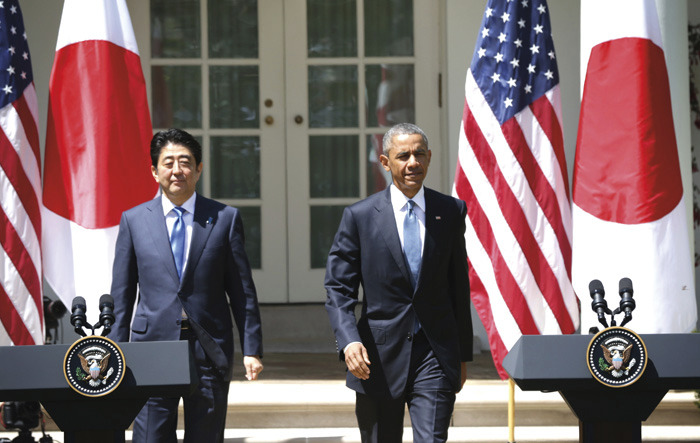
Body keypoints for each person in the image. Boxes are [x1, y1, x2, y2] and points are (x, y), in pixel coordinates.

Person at [109, 128, 263, 442]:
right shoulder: (134, 220)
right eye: (168, 163)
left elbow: (242, 291)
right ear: (154, 171)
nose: (177, 170)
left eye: (185, 162)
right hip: (151, 348)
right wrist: (115, 347)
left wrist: (253, 348)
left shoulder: (224, 218)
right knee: (150, 436)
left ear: (199, 168)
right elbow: (122, 294)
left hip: (209, 347)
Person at [325, 123, 472, 442]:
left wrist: (462, 355)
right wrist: (349, 341)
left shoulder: (450, 210)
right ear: (384, 161)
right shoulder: (359, 216)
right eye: (403, 155)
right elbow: (338, 289)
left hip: (434, 352)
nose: (412, 162)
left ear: (429, 158)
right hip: (376, 356)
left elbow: (458, 287)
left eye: (419, 154)